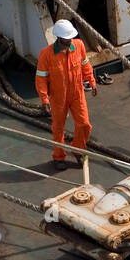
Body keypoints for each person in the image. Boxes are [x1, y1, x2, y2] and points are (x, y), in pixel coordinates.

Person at [35, 19, 98, 171]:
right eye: (66, 40)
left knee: (84, 125)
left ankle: (77, 149)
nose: (69, 43)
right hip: (58, 98)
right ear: (59, 39)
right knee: (58, 128)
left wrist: (92, 81)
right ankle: (58, 156)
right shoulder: (46, 55)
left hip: (77, 93)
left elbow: (85, 65)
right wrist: (44, 99)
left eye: (70, 39)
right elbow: (41, 78)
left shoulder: (79, 46)